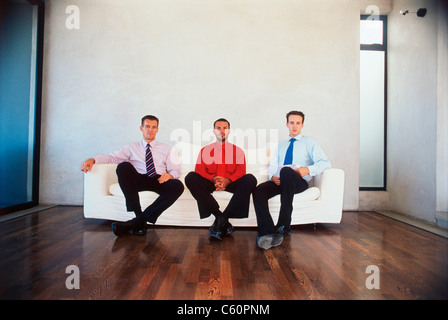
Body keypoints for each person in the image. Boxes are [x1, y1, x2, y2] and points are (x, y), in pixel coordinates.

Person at [80, 115, 184, 236]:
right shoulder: (131, 147)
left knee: (177, 185)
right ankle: (138, 214)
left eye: (154, 127)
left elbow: (176, 170)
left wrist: (170, 176)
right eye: (147, 126)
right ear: (141, 128)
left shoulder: (167, 149)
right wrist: (93, 159)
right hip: (139, 178)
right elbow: (112, 157)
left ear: (157, 129)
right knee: (123, 166)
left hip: (158, 179)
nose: (150, 130)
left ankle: (137, 222)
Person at [253, 111, 331, 249]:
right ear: (287, 124)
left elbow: (325, 163)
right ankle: (267, 231)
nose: (295, 126)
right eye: (292, 123)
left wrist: (307, 169)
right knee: (259, 190)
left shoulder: (310, 143)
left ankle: (284, 225)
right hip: (281, 181)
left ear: (302, 125)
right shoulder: (281, 145)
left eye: (298, 123)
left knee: (286, 171)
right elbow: (273, 166)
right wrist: (273, 177)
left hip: (298, 182)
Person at [185, 118, 257, 240]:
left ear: (229, 131)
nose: (222, 131)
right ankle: (221, 218)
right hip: (210, 182)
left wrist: (227, 180)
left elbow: (240, 171)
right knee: (190, 177)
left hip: (230, 183)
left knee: (250, 179)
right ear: (214, 131)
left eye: (225, 128)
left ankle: (221, 219)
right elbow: (200, 170)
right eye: (218, 128)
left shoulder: (238, 151)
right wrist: (213, 179)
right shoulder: (205, 150)